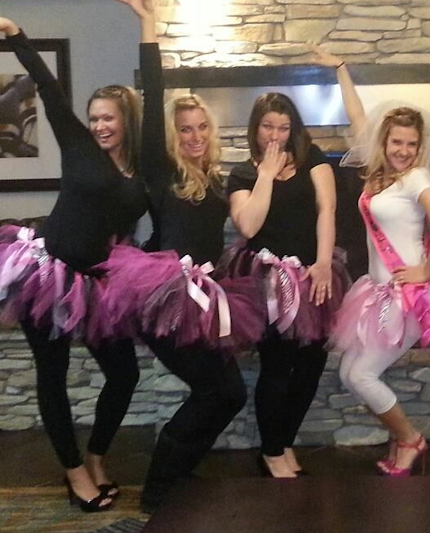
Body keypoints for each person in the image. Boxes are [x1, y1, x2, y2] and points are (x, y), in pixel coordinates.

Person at [311, 44, 430, 477]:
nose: (404, 150)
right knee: (350, 372)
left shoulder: (416, 178)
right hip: (377, 291)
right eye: (397, 142)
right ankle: (401, 437)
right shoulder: (379, 172)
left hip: (409, 297)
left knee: (360, 376)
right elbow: (358, 118)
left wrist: (424, 272)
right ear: (385, 141)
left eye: (412, 144)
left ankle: (411, 439)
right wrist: (340, 68)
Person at [117, 0, 265, 510]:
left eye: (202, 127)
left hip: (204, 300)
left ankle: (177, 473)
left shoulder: (217, 181)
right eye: (185, 129)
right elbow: (153, 91)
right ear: (172, 136)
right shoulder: (161, 174)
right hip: (165, 301)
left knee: (230, 393)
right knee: (215, 392)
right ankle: (159, 489)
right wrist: (149, 26)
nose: (195, 136)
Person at [0, 17, 148, 512]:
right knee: (53, 373)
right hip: (43, 273)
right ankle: (74, 473)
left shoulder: (143, 172)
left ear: (127, 120)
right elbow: (48, 88)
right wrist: (15, 35)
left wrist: (151, 29)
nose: (100, 125)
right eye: (95, 117)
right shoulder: (78, 145)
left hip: (96, 283)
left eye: (109, 118)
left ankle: (96, 457)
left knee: (124, 374)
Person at [219, 92, 349, 478]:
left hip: (312, 274)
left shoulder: (313, 158)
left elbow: (327, 209)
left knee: (312, 362)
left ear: (294, 129)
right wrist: (265, 174)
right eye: (267, 127)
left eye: (283, 127)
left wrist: (323, 263)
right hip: (267, 281)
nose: (275, 135)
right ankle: (272, 452)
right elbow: (248, 225)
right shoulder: (243, 174)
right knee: (277, 364)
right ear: (255, 128)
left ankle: (284, 440)